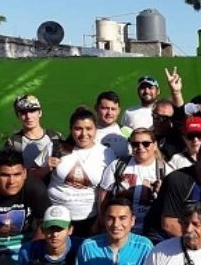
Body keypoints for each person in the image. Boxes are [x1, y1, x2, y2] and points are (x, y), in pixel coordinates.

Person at [47, 108, 116, 237]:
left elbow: (107, 191)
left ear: (96, 129)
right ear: (71, 129)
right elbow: (31, 176)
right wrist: (46, 167)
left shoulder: (107, 153)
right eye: (78, 128)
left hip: (90, 219)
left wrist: (100, 220)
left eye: (89, 128)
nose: (84, 134)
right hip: (56, 218)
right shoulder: (55, 147)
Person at [147, 140, 201, 243]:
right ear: (198, 157)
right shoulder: (178, 180)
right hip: (164, 238)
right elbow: (168, 224)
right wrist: (199, 244)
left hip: (199, 241)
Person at [98, 128, 171, 233]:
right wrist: (102, 220)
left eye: (146, 144)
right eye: (135, 144)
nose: (140, 147)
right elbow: (104, 195)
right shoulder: (118, 165)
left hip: (151, 229)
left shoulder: (165, 170)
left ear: (155, 145)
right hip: (119, 228)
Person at [5, 94, 63, 180]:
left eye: (32, 111)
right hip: (28, 190)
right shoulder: (14, 142)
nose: (28, 116)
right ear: (18, 116)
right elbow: (11, 174)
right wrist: (44, 169)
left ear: (40, 113)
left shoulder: (55, 137)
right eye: (23, 112)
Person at [94, 91, 131, 159]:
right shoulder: (86, 133)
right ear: (96, 108)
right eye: (105, 108)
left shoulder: (129, 132)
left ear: (119, 110)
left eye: (113, 109)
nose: (109, 113)